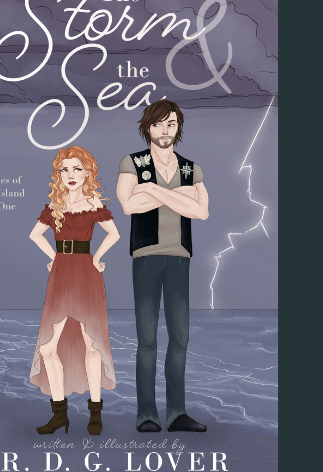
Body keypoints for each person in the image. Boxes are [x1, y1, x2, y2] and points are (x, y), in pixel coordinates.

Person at [116, 99, 209, 434]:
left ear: (178, 127)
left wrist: (153, 188)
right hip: (145, 257)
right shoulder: (132, 162)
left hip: (180, 257)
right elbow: (128, 205)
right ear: (148, 128)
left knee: (180, 337)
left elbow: (201, 212)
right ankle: (146, 414)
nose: (165, 130)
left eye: (171, 123)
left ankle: (176, 413)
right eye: (158, 124)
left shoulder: (190, 168)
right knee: (147, 338)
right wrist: (178, 196)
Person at [28, 146, 120, 435]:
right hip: (61, 273)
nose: (70, 175)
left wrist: (97, 257)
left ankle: (96, 412)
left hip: (85, 273)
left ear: (88, 172)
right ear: (58, 174)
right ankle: (60, 413)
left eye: (77, 168)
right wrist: (53, 258)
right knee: (47, 347)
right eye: (64, 169)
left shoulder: (94, 203)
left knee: (90, 344)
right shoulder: (54, 205)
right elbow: (35, 235)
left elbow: (114, 234)